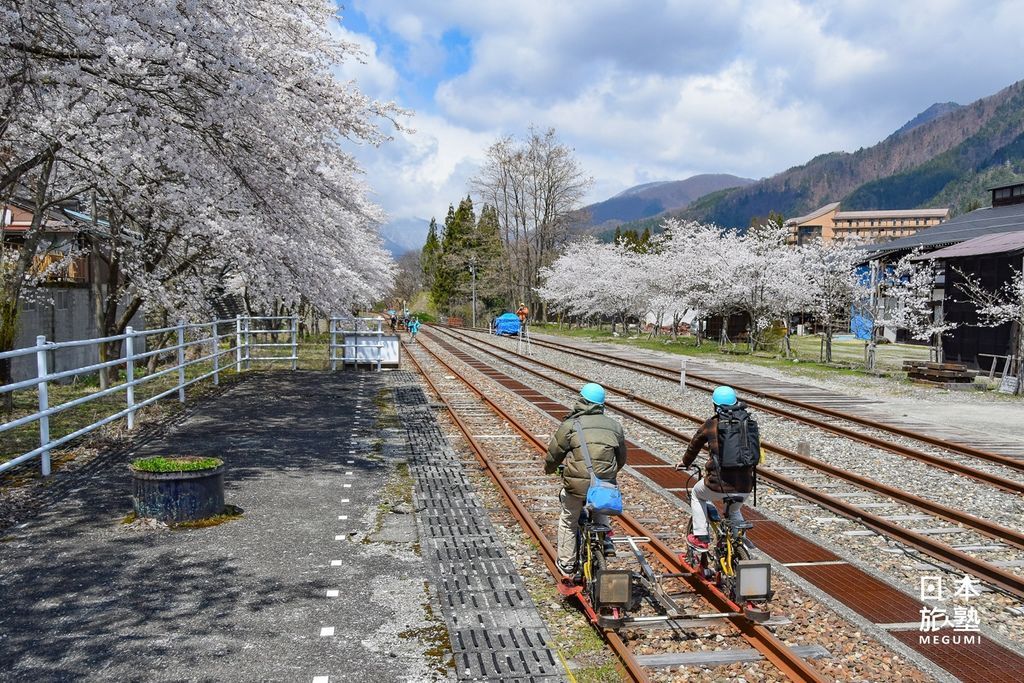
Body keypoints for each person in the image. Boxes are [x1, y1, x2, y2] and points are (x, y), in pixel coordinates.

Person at [544, 382, 627, 577]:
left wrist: (549, 469)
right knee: (602, 497)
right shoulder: (615, 426)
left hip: (576, 485)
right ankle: (605, 538)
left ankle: (566, 563)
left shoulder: (571, 424)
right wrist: (609, 474)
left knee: (568, 520)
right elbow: (621, 458)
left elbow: (555, 453)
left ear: (582, 401)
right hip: (603, 484)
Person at [675, 386, 760, 551]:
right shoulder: (748, 424)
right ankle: (741, 542)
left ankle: (701, 536)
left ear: (715, 406)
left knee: (696, 495)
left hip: (717, 484)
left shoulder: (711, 424)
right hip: (745, 486)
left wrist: (685, 462)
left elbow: (694, 446)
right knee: (733, 509)